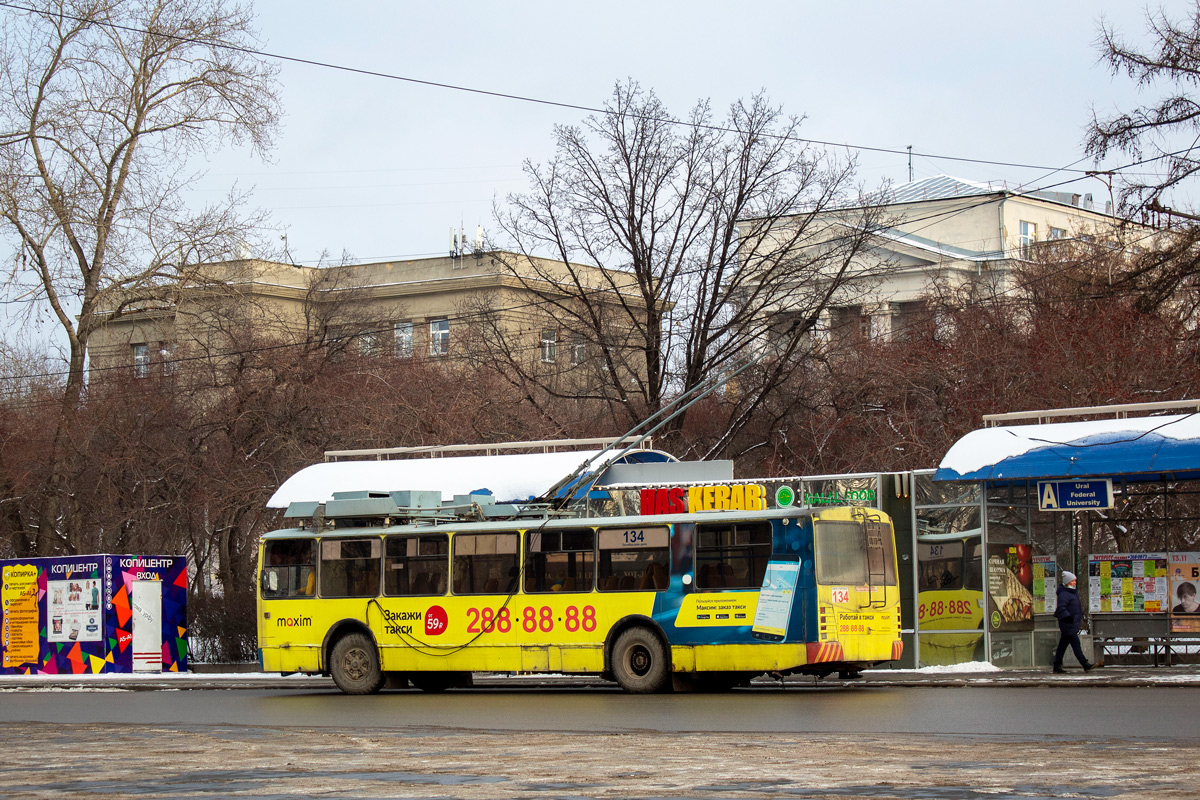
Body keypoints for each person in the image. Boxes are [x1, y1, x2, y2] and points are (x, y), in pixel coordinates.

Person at [1053, 571, 1094, 673]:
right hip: (1068, 623)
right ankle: (1084, 664)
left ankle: (1057, 665)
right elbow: (1061, 608)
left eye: (1075, 580)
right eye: (1072, 581)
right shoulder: (1064, 594)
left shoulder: (1071, 593)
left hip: (1070, 623)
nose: (1074, 582)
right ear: (1067, 582)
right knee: (1076, 643)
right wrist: (1068, 617)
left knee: (1063, 645)